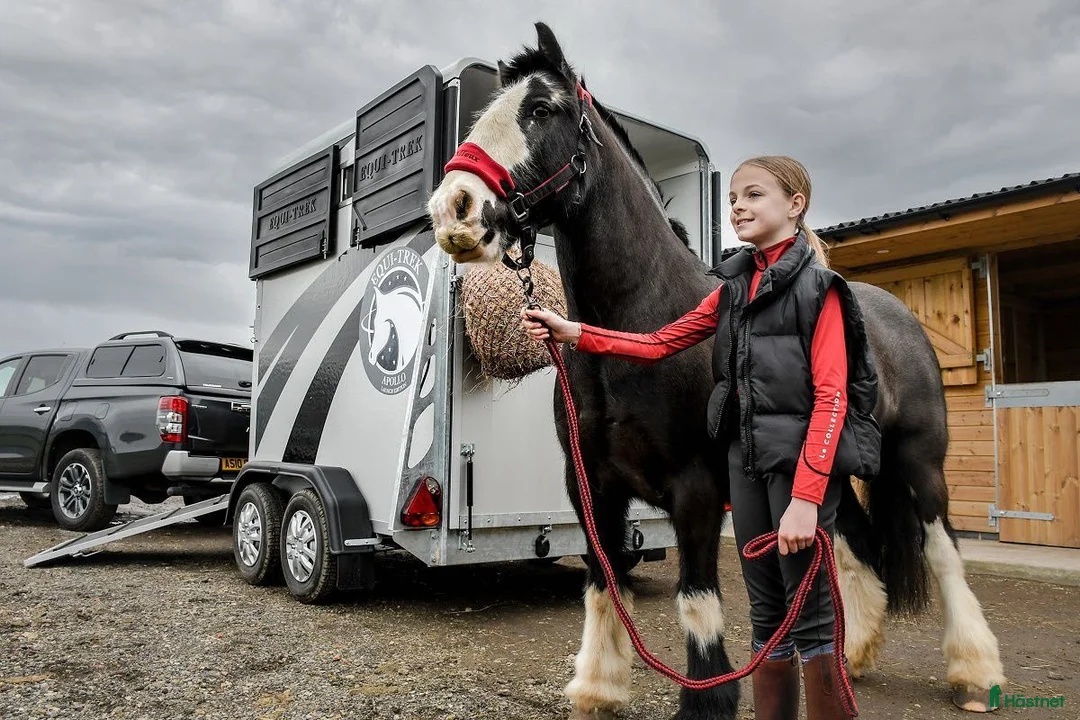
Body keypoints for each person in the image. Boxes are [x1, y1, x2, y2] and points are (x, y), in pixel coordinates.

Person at [521, 155, 880, 720]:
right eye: (734, 196)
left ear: (795, 205)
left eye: (754, 195)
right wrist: (576, 333)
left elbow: (833, 399)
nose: (738, 205)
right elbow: (660, 342)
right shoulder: (733, 287)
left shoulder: (821, 291)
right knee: (766, 614)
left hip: (799, 471)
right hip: (745, 464)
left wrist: (808, 499)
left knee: (807, 615)